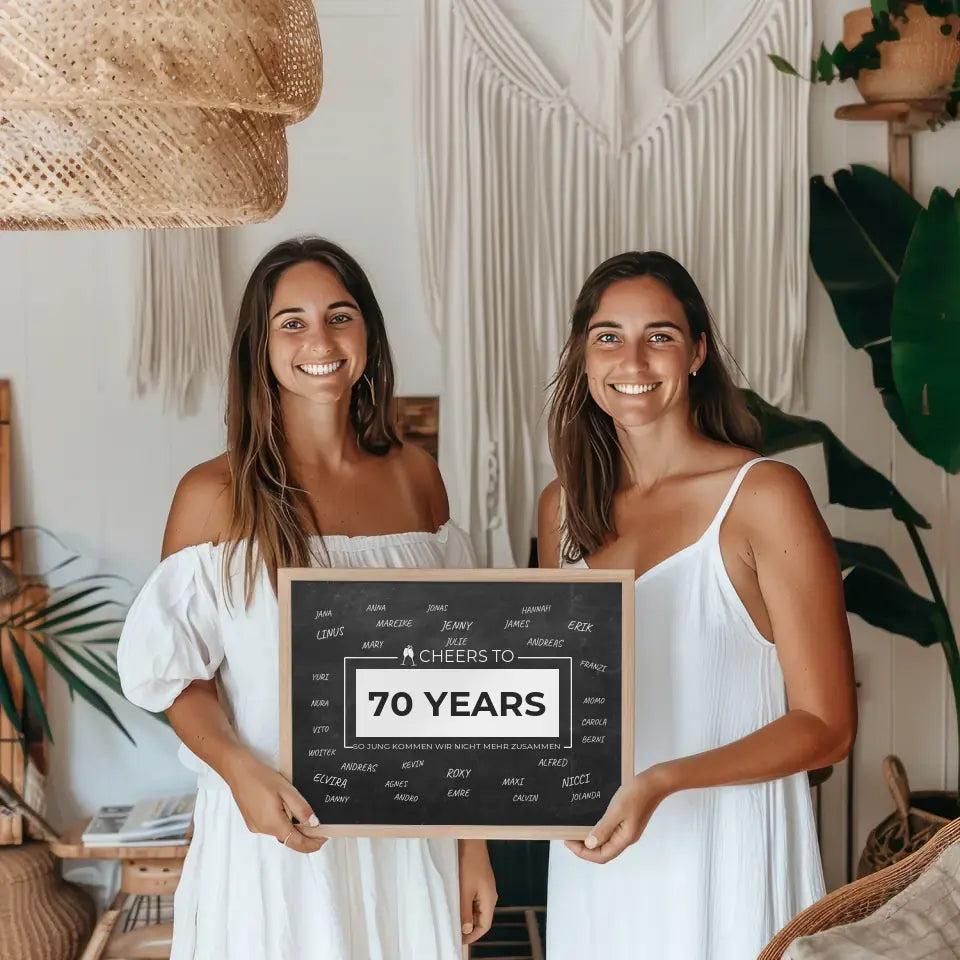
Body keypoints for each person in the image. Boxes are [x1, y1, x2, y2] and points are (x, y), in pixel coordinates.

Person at [117, 237, 496, 960]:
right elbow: (176, 677)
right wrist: (239, 772)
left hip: (410, 833)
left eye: (339, 316)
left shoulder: (417, 476)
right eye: (291, 322)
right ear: (259, 347)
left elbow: (458, 671)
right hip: (275, 834)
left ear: (368, 332)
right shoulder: (213, 495)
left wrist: (472, 845)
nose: (319, 341)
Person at [538, 251, 856, 959]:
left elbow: (827, 726)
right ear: (584, 356)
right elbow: (555, 702)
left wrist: (663, 783)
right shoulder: (561, 509)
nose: (633, 360)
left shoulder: (765, 495)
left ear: (698, 352)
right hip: (597, 858)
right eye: (609, 337)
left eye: (660, 335)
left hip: (725, 856)